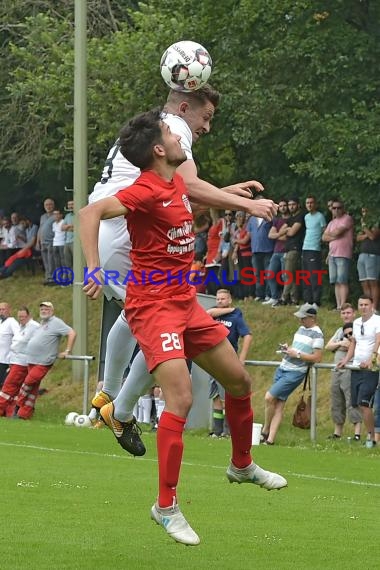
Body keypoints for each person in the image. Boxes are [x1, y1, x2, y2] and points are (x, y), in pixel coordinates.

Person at [79, 108, 286, 547]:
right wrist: (94, 269)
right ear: (159, 149)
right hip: (153, 306)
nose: (180, 136)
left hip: (184, 303)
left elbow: (189, 194)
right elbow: (89, 213)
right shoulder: (146, 189)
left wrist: (229, 193)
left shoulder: (173, 182)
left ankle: (242, 465)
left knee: (239, 380)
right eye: (172, 133)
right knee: (181, 397)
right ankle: (166, 507)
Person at [87, 84, 274, 429]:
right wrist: (247, 204)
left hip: (114, 234)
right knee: (162, 324)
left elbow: (176, 198)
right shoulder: (173, 130)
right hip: (119, 234)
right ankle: (121, 410)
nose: (206, 127)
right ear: (186, 107)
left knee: (137, 316)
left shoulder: (155, 130)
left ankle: (108, 395)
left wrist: (224, 193)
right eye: (206, 117)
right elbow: (186, 188)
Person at [262, 303, 324, 445]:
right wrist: (288, 349)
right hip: (283, 366)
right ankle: (270, 439)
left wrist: (297, 354)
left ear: (312, 318)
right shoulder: (301, 329)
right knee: (278, 404)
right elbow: (297, 349)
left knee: (269, 397)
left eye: (303, 318)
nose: (300, 320)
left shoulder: (318, 334)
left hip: (295, 372)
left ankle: (265, 429)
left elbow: (317, 357)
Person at [13, 301, 76, 419]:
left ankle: (17, 408)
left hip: (43, 361)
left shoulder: (56, 322)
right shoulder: (42, 322)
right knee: (32, 389)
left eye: (46, 309)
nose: (43, 311)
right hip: (32, 360)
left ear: (52, 311)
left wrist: (67, 350)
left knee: (27, 384)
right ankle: (24, 415)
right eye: (42, 309)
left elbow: (71, 333)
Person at [207, 289, 252, 437]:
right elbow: (208, 314)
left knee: (226, 398)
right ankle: (217, 431)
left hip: (226, 361)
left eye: (223, 299)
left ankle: (228, 430)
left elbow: (247, 335)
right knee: (215, 397)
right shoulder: (214, 314)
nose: (220, 301)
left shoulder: (236, 317)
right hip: (211, 361)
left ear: (230, 299)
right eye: (218, 299)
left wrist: (242, 358)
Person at [337, 295, 380, 448]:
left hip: (370, 369)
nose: (363, 307)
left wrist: (371, 360)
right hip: (356, 367)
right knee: (357, 403)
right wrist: (346, 359)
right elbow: (354, 343)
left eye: (366, 304)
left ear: (372, 305)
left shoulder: (377, 321)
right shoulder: (355, 323)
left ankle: (372, 437)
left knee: (364, 402)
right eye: (361, 304)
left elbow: (377, 341)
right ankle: (370, 435)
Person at [324, 303, 362, 439]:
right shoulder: (340, 330)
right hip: (337, 368)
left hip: (351, 368)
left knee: (351, 399)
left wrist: (350, 344)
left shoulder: (360, 328)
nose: (346, 315)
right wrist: (340, 343)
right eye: (343, 313)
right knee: (336, 399)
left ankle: (357, 433)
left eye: (348, 313)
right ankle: (337, 432)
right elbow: (328, 346)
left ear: (354, 313)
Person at [0, 306, 40, 416]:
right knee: (15, 389)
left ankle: (2, 408)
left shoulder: (34, 326)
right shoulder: (21, 326)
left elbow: (40, 340)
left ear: (29, 316)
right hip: (14, 360)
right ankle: (12, 412)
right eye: (19, 317)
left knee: (8, 386)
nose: (21, 319)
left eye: (23, 317)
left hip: (22, 362)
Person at [322, 199, 354, 310]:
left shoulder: (347, 219)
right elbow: (323, 237)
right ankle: (338, 305)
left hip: (343, 253)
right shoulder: (332, 222)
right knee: (335, 281)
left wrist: (332, 235)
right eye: (334, 208)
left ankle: (343, 305)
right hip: (332, 255)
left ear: (343, 208)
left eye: (339, 207)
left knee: (342, 280)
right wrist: (334, 236)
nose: (336, 210)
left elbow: (337, 232)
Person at [263, 198, 289, 306]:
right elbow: (270, 235)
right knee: (270, 274)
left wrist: (277, 235)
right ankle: (274, 297)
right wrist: (280, 233)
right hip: (276, 251)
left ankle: (285, 298)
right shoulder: (277, 220)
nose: (282, 208)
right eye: (281, 206)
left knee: (284, 276)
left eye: (284, 206)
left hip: (285, 251)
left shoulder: (291, 220)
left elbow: (287, 238)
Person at [302, 195, 326, 307]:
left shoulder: (320, 216)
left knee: (314, 276)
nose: (309, 205)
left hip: (314, 249)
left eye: (311, 203)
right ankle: (308, 300)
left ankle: (316, 301)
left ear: (315, 204)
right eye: (307, 203)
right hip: (305, 248)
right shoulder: (306, 217)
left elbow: (324, 231)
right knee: (306, 275)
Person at [280, 197, 305, 305]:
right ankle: (294, 299)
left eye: (293, 204)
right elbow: (281, 231)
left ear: (298, 205)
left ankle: (284, 298)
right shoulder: (290, 219)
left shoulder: (300, 217)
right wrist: (286, 230)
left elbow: (291, 233)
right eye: (289, 205)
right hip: (288, 248)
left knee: (288, 274)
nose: (291, 207)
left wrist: (286, 231)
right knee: (292, 276)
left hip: (295, 249)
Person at [356, 207, 380, 311]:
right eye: (363, 211)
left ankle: (374, 307)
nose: (364, 213)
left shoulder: (376, 222)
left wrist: (364, 227)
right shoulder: (363, 225)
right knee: (364, 282)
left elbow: (373, 236)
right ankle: (368, 306)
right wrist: (366, 233)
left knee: (373, 282)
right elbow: (358, 238)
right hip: (362, 255)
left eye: (366, 211)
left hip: (373, 255)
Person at [36, 198, 56, 285]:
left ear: (53, 205)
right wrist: (37, 242)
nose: (48, 206)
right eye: (46, 205)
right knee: (45, 262)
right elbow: (40, 229)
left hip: (52, 242)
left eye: (50, 204)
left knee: (51, 261)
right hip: (43, 242)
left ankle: (52, 278)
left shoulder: (56, 216)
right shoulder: (42, 217)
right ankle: (47, 277)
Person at [0, 302, 19, 387]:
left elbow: (18, 337)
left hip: (6, 359)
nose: (1, 311)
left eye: (3, 309)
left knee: (5, 384)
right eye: (0, 310)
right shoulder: (0, 321)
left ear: (9, 310)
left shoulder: (12, 322)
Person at [62, 200, 74, 269]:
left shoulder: (79, 214)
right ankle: (70, 279)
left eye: (72, 204)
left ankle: (77, 278)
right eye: (69, 205)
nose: (70, 206)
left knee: (76, 261)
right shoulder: (67, 216)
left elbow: (78, 228)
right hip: (67, 242)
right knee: (68, 263)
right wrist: (71, 226)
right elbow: (62, 228)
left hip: (75, 242)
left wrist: (67, 227)